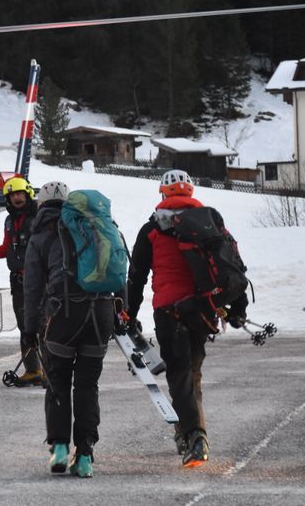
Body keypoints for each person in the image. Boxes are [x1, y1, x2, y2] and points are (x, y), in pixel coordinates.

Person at [125, 169, 238, 468]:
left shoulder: (151, 229)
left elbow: (136, 276)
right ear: (190, 191)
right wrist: (235, 307)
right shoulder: (208, 223)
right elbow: (230, 265)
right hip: (201, 309)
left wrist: (129, 314)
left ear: (162, 194)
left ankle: (195, 436)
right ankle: (186, 432)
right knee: (192, 372)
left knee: (179, 374)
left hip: (168, 311)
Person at [23, 180, 114, 478]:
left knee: (58, 382)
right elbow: (118, 270)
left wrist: (28, 329)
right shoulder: (98, 225)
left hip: (62, 315)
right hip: (100, 312)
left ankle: (60, 449)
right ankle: (85, 455)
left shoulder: (40, 236)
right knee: (88, 385)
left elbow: (32, 288)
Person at [0, 176, 44, 385]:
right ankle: (33, 370)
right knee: (25, 326)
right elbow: (6, 249)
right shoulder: (9, 221)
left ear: (27, 194)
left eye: (20, 194)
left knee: (44, 325)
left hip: (41, 280)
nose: (17, 198)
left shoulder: (40, 216)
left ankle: (50, 370)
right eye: (12, 195)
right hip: (18, 281)